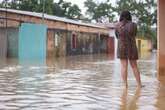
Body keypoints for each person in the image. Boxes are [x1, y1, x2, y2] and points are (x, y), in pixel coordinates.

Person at [115, 10, 142, 88]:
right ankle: (139, 85)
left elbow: (117, 36)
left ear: (121, 16)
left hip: (121, 47)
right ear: (130, 16)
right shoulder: (133, 25)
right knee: (134, 66)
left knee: (123, 66)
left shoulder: (117, 25)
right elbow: (134, 34)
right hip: (132, 47)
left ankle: (125, 85)